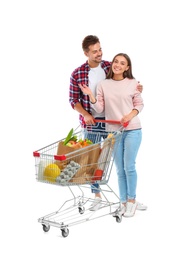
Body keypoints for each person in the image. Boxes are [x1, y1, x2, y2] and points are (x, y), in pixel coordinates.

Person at [69, 35, 144, 211]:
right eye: (94, 51)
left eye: (100, 49)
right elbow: (73, 100)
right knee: (94, 161)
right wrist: (86, 114)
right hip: (93, 122)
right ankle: (97, 196)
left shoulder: (109, 66)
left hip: (114, 122)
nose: (99, 54)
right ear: (86, 53)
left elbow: (127, 84)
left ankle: (128, 199)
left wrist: (139, 88)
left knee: (119, 164)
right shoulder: (78, 73)